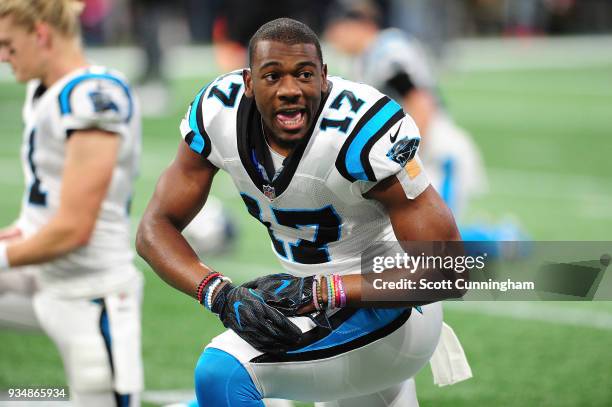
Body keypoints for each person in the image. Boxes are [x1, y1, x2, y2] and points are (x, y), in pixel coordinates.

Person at [137, 18, 470, 407]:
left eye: (305, 74)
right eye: (273, 76)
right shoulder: (218, 114)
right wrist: (219, 294)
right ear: (248, 82)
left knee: (223, 371)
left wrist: (325, 289)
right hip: (323, 319)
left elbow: (449, 271)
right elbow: (153, 228)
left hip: (390, 311)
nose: (290, 90)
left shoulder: (360, 131)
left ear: (324, 78)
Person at [0, 1, 143, 406]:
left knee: (97, 394)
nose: (3, 56)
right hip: (42, 275)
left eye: (9, 45)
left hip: (91, 290)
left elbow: (74, 229)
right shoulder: (43, 89)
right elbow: (47, 206)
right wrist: (18, 233)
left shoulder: (92, 95)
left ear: (41, 35)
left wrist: (4, 254)